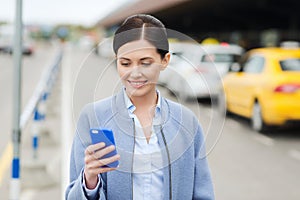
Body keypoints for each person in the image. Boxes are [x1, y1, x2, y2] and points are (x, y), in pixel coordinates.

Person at [65, 14, 214, 200]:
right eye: (125, 63)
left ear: (165, 60)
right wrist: (89, 180)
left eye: (145, 63)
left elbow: (203, 193)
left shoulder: (187, 122)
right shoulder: (93, 116)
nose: (135, 73)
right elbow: (73, 195)